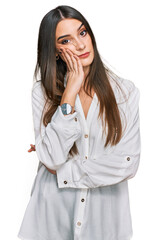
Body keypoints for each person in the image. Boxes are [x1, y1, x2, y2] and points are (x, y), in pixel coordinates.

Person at [17, 5, 141, 240]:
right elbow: (52, 157)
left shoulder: (125, 93)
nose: (81, 44)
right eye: (66, 40)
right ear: (54, 51)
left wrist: (62, 173)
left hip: (105, 225)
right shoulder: (41, 93)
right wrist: (69, 96)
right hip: (48, 222)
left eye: (82, 33)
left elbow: (127, 163)